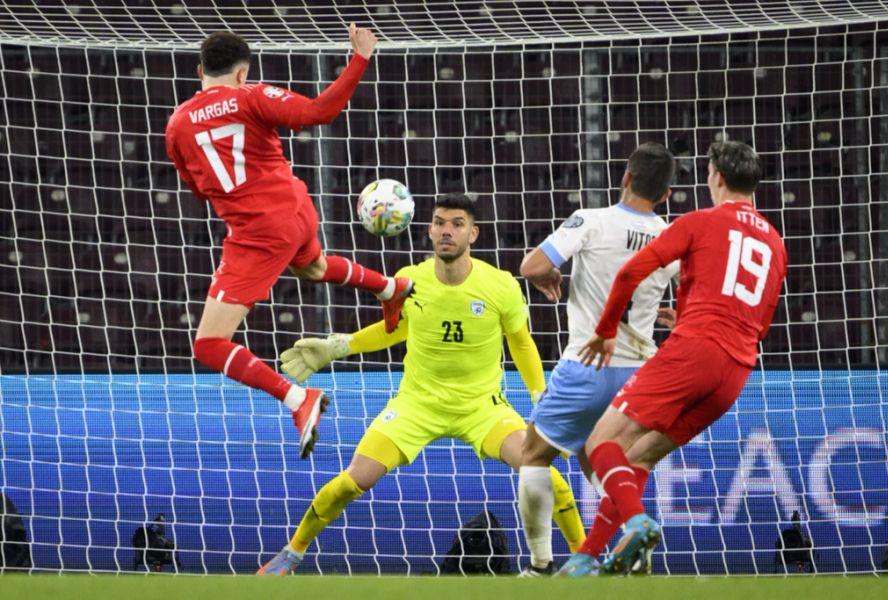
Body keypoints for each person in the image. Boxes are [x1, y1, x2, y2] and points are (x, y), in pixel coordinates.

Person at [257, 193, 586, 575]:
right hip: (417, 404)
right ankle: (292, 553)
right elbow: (395, 329)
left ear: (473, 233)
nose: (447, 231)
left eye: (457, 224)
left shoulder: (500, 286)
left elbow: (521, 342)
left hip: (482, 408)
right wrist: (337, 347)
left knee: (544, 474)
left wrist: (539, 398)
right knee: (353, 482)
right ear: (429, 230)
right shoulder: (409, 282)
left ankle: (586, 559)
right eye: (440, 222)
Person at [164, 27, 412, 459]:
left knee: (208, 344)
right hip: (296, 207)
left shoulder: (176, 125)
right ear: (242, 72)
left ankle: (299, 400)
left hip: (259, 233)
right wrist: (360, 58)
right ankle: (391, 288)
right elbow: (320, 111)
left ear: (200, 70)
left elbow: (199, 190)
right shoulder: (252, 95)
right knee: (313, 268)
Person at [574, 140, 788, 575]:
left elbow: (631, 272)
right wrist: (688, 314)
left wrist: (604, 331)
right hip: (735, 372)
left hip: (694, 352)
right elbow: (759, 324)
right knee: (640, 458)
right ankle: (583, 560)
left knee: (600, 443)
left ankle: (638, 524)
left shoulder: (700, 221)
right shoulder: (776, 243)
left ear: (717, 178)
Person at [517, 143, 679, 576]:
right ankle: (633, 540)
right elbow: (696, 303)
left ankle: (538, 566)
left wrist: (549, 272)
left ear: (626, 176)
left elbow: (531, 266)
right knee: (605, 467)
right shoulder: (672, 235)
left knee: (533, 454)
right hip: (641, 374)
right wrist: (671, 314)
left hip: (588, 363)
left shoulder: (593, 220)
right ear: (665, 196)